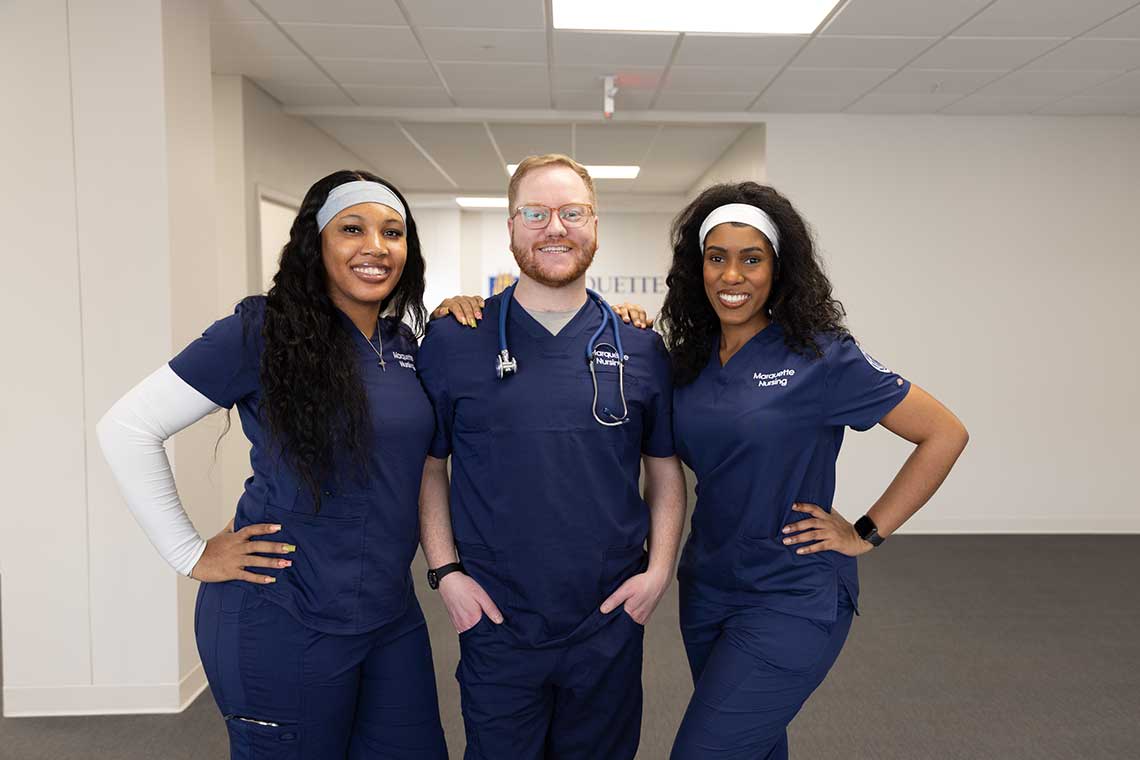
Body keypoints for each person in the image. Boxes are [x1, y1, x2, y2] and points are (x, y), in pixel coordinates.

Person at [97, 170, 448, 759]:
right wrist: (188, 552)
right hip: (283, 611)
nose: (376, 247)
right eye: (352, 229)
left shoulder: (404, 346)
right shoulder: (261, 330)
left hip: (388, 613)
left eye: (393, 232)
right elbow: (127, 428)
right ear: (316, 242)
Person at [655, 182, 970, 759]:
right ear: (696, 267)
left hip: (791, 594)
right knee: (755, 744)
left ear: (778, 269)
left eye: (752, 259)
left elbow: (944, 433)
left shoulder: (822, 358)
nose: (732, 276)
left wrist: (866, 532)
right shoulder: (687, 364)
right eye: (717, 258)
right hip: (708, 587)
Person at [417, 154, 687, 759]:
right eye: (535, 213)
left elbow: (664, 470)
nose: (555, 227)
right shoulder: (456, 340)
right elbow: (430, 467)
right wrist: (446, 573)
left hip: (609, 615)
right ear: (511, 227)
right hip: (495, 615)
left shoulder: (639, 345)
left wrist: (659, 572)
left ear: (595, 224)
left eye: (572, 212)